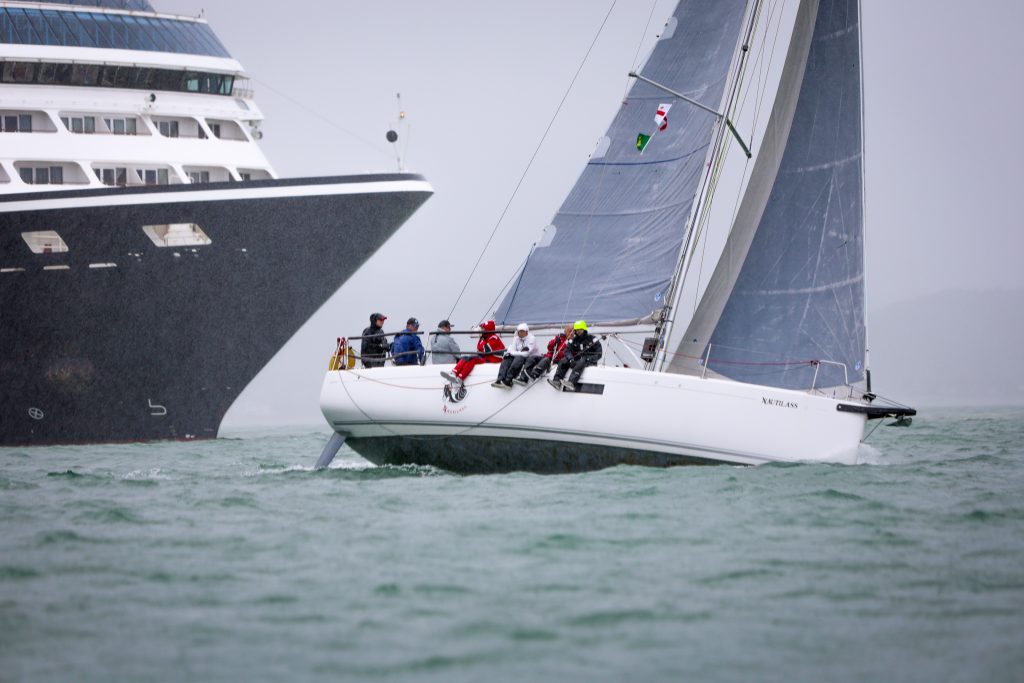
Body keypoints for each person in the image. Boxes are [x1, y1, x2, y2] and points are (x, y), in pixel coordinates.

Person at [440, 320, 504, 385]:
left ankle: (460, 379)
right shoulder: (485, 337)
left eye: (483, 328)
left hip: (493, 360)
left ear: (488, 329)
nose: (481, 330)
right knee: (466, 357)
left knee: (472, 359)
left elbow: (485, 350)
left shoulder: (494, 338)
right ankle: (454, 373)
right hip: (486, 357)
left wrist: (482, 342)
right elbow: (479, 347)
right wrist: (482, 344)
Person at [549, 320, 602, 391]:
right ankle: (557, 381)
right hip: (577, 361)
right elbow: (567, 351)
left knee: (582, 360)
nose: (578, 332)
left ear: (584, 330)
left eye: (580, 330)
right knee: (564, 360)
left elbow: (599, 353)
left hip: (589, 361)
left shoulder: (592, 339)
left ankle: (572, 383)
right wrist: (570, 358)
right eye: (577, 330)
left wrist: (588, 359)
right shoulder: (574, 340)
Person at [492, 323, 540, 388]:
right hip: (520, 356)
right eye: (519, 331)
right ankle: (500, 379)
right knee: (507, 357)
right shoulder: (516, 338)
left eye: (522, 331)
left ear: (526, 332)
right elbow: (511, 350)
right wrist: (513, 352)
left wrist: (514, 352)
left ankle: (508, 380)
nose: (520, 333)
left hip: (532, 358)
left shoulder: (532, 338)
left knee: (518, 358)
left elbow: (526, 354)